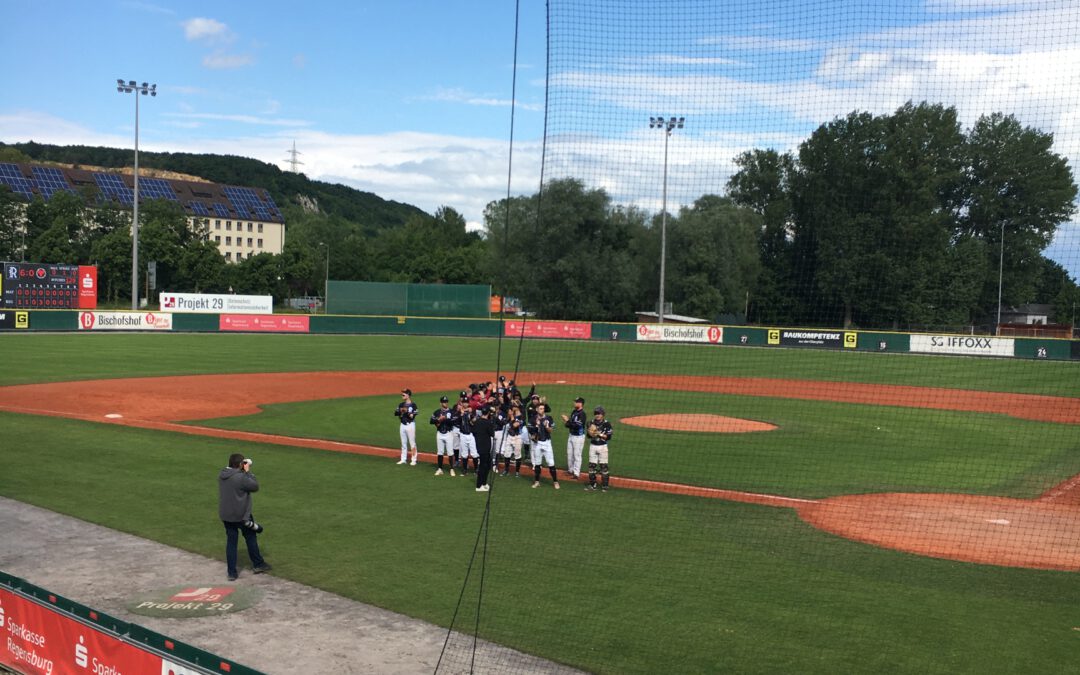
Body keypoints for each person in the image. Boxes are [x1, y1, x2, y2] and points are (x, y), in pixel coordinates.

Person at [218, 453, 271, 581]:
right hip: (242, 515)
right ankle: (258, 564)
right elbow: (254, 486)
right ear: (240, 465)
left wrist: (241, 469)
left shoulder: (222, 474)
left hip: (226, 514)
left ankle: (231, 572)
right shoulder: (241, 477)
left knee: (231, 542)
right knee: (251, 537)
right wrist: (247, 472)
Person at [530, 403, 560, 489]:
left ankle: (555, 482)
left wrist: (546, 426)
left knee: (551, 463)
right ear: (537, 409)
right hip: (537, 444)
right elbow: (530, 430)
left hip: (547, 443)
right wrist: (536, 426)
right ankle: (537, 482)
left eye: (543, 408)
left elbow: (550, 431)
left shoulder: (549, 418)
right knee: (537, 464)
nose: (542, 410)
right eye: (540, 408)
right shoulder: (533, 419)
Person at [586, 406, 614, 492]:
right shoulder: (590, 423)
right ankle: (592, 485)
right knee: (591, 467)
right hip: (593, 446)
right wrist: (590, 433)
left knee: (604, 467)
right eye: (596, 413)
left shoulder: (607, 424)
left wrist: (598, 433)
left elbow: (608, 437)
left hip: (603, 447)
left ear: (603, 414)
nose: (597, 415)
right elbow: (588, 436)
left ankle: (605, 486)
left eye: (599, 413)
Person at [430, 396, 458, 476]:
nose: (445, 403)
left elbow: (454, 421)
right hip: (439, 434)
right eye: (444, 402)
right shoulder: (437, 412)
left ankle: (452, 469)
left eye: (446, 402)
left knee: (450, 452)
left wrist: (444, 418)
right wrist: (438, 420)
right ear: (441, 403)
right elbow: (431, 421)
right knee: (440, 452)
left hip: (449, 434)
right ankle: (440, 469)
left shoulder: (452, 412)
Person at [561, 396, 587, 479]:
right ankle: (570, 470)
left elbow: (577, 426)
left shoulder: (582, 414)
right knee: (569, 454)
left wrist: (567, 421)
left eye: (576, 402)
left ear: (580, 404)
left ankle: (576, 473)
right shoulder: (574, 412)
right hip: (571, 435)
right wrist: (568, 422)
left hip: (578, 437)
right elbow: (569, 425)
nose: (574, 403)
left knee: (577, 455)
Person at [472, 406, 496, 492]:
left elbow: (474, 432)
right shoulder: (488, 422)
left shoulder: (477, 422)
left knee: (488, 465)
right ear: (488, 413)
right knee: (483, 466)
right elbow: (492, 433)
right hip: (485, 447)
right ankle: (479, 486)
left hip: (479, 445)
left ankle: (484, 483)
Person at [394, 388, 420, 465]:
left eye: (404, 394)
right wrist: (401, 410)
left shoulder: (413, 405)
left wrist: (407, 411)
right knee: (403, 443)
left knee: (412, 443)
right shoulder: (401, 405)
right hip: (402, 425)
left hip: (410, 425)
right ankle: (403, 459)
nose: (402, 395)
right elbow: (395, 413)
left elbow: (412, 416)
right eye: (402, 393)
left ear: (408, 395)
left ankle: (413, 460)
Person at [500, 404, 525, 476]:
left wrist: (511, 416)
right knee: (507, 454)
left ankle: (517, 472)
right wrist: (509, 416)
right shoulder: (511, 415)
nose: (512, 409)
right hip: (509, 436)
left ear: (517, 408)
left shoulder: (521, 417)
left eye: (513, 407)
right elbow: (505, 422)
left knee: (517, 455)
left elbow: (515, 425)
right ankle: (506, 470)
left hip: (517, 437)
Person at [458, 399, 479, 474]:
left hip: (471, 435)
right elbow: (457, 420)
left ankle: (476, 469)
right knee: (464, 453)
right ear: (462, 403)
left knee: (474, 453)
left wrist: (471, 418)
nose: (465, 404)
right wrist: (461, 414)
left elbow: (475, 420)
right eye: (464, 402)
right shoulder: (459, 412)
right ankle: (464, 470)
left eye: (467, 402)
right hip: (463, 435)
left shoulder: (471, 411)